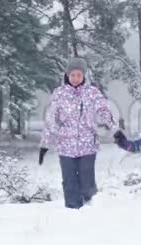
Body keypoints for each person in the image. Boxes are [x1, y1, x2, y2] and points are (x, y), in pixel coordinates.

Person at [39, 57, 115, 209]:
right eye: (72, 75)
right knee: (69, 180)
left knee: (87, 181)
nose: (75, 78)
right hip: (66, 146)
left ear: (84, 76)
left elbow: (103, 110)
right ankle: (72, 211)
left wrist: (114, 129)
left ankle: (88, 205)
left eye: (79, 75)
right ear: (67, 75)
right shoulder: (59, 94)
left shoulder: (92, 92)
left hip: (88, 145)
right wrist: (45, 144)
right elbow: (51, 120)